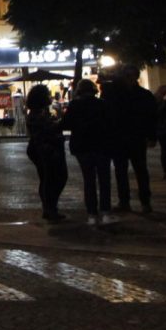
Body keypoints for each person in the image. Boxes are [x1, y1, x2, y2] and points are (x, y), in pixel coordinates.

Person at [101, 73, 154, 215]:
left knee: (132, 170)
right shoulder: (142, 95)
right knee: (131, 171)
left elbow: (151, 116)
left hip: (126, 137)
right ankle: (134, 201)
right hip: (129, 138)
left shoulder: (115, 95)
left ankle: (135, 201)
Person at [61, 78, 110, 225]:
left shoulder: (75, 105)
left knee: (88, 180)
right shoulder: (102, 104)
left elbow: (66, 123)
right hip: (101, 145)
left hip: (82, 146)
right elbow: (110, 123)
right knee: (104, 179)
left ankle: (92, 213)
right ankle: (105, 211)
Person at [25, 84, 69, 223]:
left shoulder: (42, 112)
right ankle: (50, 208)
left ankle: (49, 208)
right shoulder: (36, 115)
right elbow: (43, 134)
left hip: (45, 148)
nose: (50, 97)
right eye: (47, 95)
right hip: (45, 149)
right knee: (52, 179)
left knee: (49, 179)